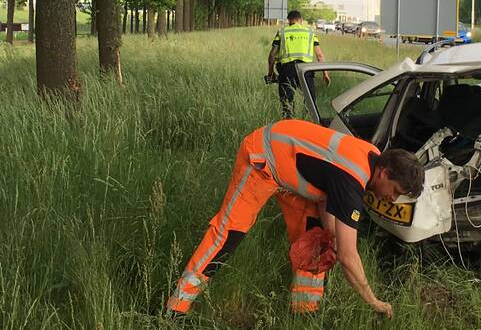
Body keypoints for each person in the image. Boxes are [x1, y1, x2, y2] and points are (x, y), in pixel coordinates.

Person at [166, 119, 425, 318]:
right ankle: (175, 309)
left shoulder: (371, 155)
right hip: (263, 158)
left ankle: (304, 310)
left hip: (294, 176)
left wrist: (331, 237)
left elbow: (326, 195)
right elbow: (349, 256)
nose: (392, 199)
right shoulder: (353, 179)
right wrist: (374, 302)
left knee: (317, 239)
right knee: (229, 234)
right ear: (384, 174)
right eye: (395, 192)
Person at [267, 10, 331, 118]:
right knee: (310, 103)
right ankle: (306, 123)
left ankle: (289, 126)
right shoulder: (310, 32)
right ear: (301, 20)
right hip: (306, 70)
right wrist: (325, 74)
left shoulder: (282, 32)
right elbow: (319, 55)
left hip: (287, 71)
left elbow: (272, 55)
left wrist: (270, 72)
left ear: (288, 21)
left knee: (287, 104)